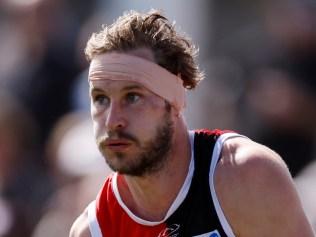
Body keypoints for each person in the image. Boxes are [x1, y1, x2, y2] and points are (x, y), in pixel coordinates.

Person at [69, 9, 315, 237]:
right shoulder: (93, 230)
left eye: (133, 97)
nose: (113, 121)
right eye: (100, 99)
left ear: (174, 102)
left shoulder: (246, 177)